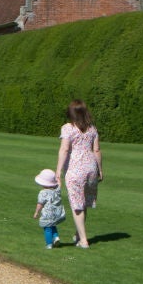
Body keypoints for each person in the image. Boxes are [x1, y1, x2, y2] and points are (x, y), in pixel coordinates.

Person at [56, 99, 103, 248]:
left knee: (77, 204)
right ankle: (78, 234)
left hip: (75, 169)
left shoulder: (68, 128)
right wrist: (100, 170)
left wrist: (58, 170)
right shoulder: (92, 129)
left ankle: (83, 240)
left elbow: (64, 149)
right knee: (83, 202)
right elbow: (96, 150)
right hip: (91, 168)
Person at [32, 169, 66, 249]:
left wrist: (36, 212)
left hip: (48, 213)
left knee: (47, 228)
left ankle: (49, 244)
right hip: (56, 213)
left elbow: (40, 204)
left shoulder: (43, 193)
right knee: (52, 225)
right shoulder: (57, 190)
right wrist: (58, 179)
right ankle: (56, 237)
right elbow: (59, 184)